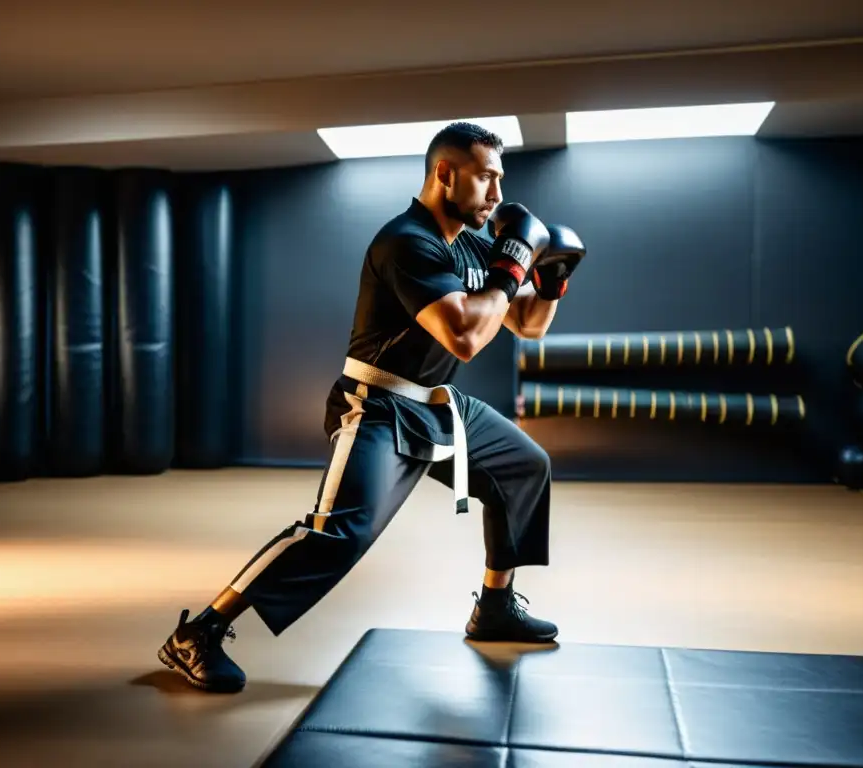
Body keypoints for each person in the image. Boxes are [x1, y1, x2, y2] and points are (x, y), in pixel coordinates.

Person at [158, 121, 586, 693]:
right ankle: (199, 634)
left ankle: (496, 606)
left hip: (435, 403)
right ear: (444, 173)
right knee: (339, 531)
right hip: (376, 404)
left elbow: (525, 323)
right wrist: (515, 263)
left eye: (500, 180)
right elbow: (464, 335)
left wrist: (552, 280)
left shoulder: (473, 244)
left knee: (523, 466)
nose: (497, 194)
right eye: (486, 177)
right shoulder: (406, 241)